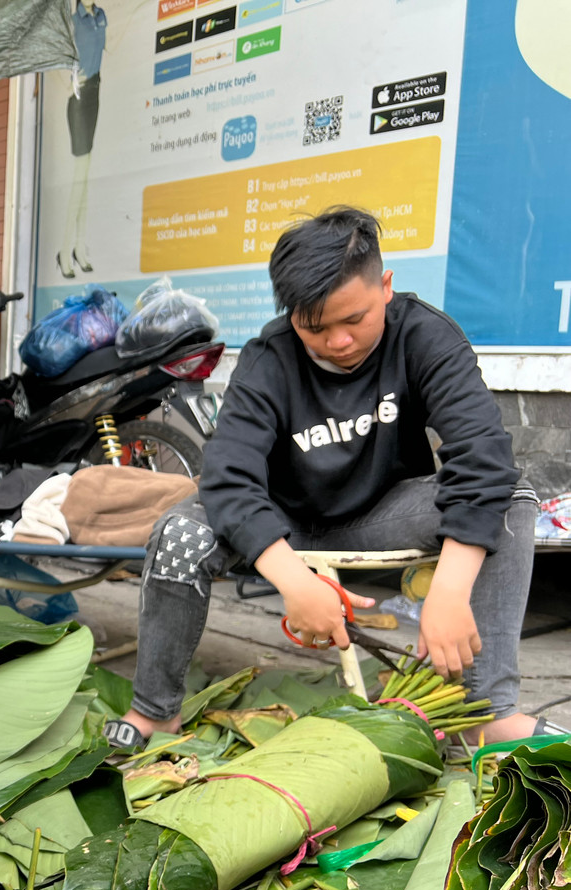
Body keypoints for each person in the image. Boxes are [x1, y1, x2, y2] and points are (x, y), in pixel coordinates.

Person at [104, 206, 549, 749]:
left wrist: (451, 591)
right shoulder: (269, 358)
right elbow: (226, 475)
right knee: (178, 533)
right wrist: (292, 581)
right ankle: (155, 711)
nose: (338, 341)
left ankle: (487, 712)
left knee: (512, 496)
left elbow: (482, 458)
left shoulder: (425, 337)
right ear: (292, 316)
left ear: (385, 286)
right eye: (315, 327)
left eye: (354, 320)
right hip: (280, 521)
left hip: (376, 514)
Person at [57, 0, 107, 280]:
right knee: (80, 175)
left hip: (95, 92)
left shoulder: (101, 16)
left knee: (85, 177)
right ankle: (66, 250)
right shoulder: (72, 20)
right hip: (78, 96)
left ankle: (78, 247)